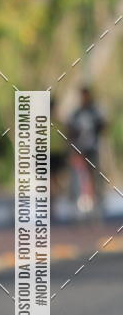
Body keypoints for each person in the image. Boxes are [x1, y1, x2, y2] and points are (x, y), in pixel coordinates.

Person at [67, 86, 106, 217]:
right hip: (80, 150)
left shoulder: (95, 112)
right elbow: (70, 130)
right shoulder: (76, 113)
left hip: (93, 149)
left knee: (95, 176)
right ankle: (78, 206)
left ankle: (97, 203)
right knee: (79, 177)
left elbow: (103, 126)